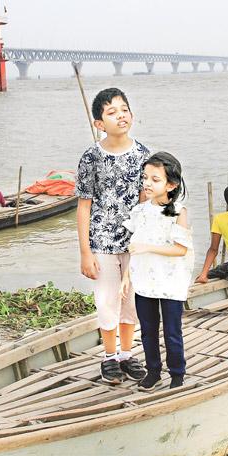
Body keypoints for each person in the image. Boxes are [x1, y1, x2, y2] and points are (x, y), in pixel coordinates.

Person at [75, 88, 149, 385]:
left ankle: (127, 354)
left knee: (131, 300)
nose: (121, 115)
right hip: (102, 242)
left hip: (134, 243)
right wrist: (85, 252)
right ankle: (109, 356)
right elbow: (83, 206)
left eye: (124, 109)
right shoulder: (92, 157)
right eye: (112, 112)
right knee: (107, 300)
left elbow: (147, 202)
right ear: (99, 123)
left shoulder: (143, 154)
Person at [120, 152, 192, 391]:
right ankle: (153, 372)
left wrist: (147, 247)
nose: (147, 183)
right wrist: (125, 277)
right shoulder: (140, 211)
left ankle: (177, 374)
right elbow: (134, 247)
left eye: (155, 179)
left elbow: (181, 250)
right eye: (145, 178)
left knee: (172, 331)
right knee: (148, 330)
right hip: (144, 280)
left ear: (171, 185)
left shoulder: (177, 212)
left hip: (170, 282)